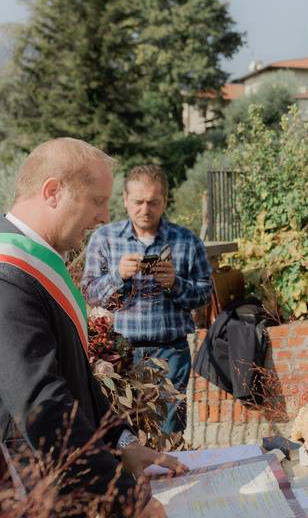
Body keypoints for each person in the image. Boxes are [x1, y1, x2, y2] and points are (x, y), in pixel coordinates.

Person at [0, 138, 184, 517]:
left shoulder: (33, 265)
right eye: (97, 200)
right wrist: (129, 501)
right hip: (28, 488)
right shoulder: (8, 275)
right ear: (53, 191)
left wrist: (122, 440)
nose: (104, 216)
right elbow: (43, 405)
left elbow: (73, 378)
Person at [84, 164, 212, 435]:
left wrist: (175, 283)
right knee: (124, 433)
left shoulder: (187, 241)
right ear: (126, 200)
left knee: (168, 432)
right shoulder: (104, 239)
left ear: (165, 201)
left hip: (171, 353)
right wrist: (118, 276)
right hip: (119, 353)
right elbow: (91, 294)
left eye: (153, 202)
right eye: (138, 202)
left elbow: (203, 296)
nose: (145, 209)